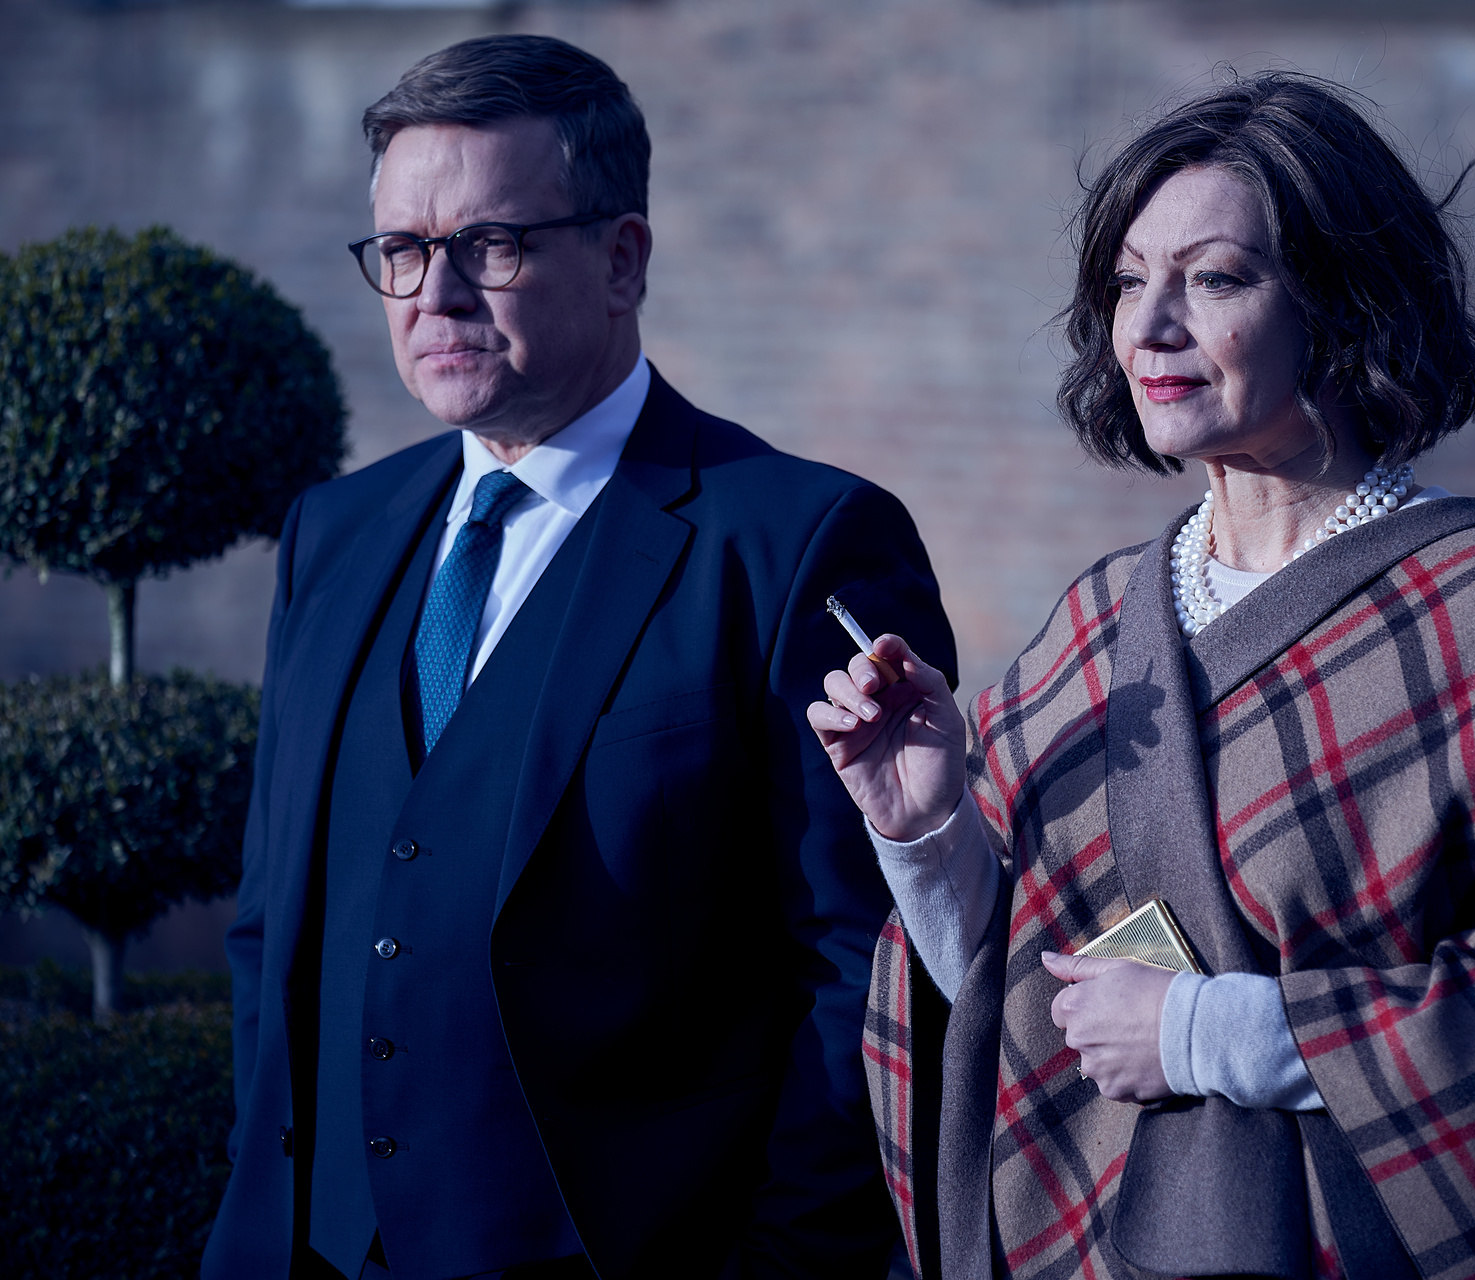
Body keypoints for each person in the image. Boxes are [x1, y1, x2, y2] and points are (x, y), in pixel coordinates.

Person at [812, 74, 1475, 1280]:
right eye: (1128, 281)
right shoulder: (1094, 622)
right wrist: (928, 830)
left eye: (1213, 278)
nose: (1150, 327)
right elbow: (1016, 1006)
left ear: (1339, 302)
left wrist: (1211, 1032)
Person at [203, 34, 955, 1280]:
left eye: (490, 245)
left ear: (622, 258)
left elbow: (864, 970)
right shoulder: (329, 535)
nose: (435, 294)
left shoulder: (797, 540)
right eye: (402, 250)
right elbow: (270, 926)